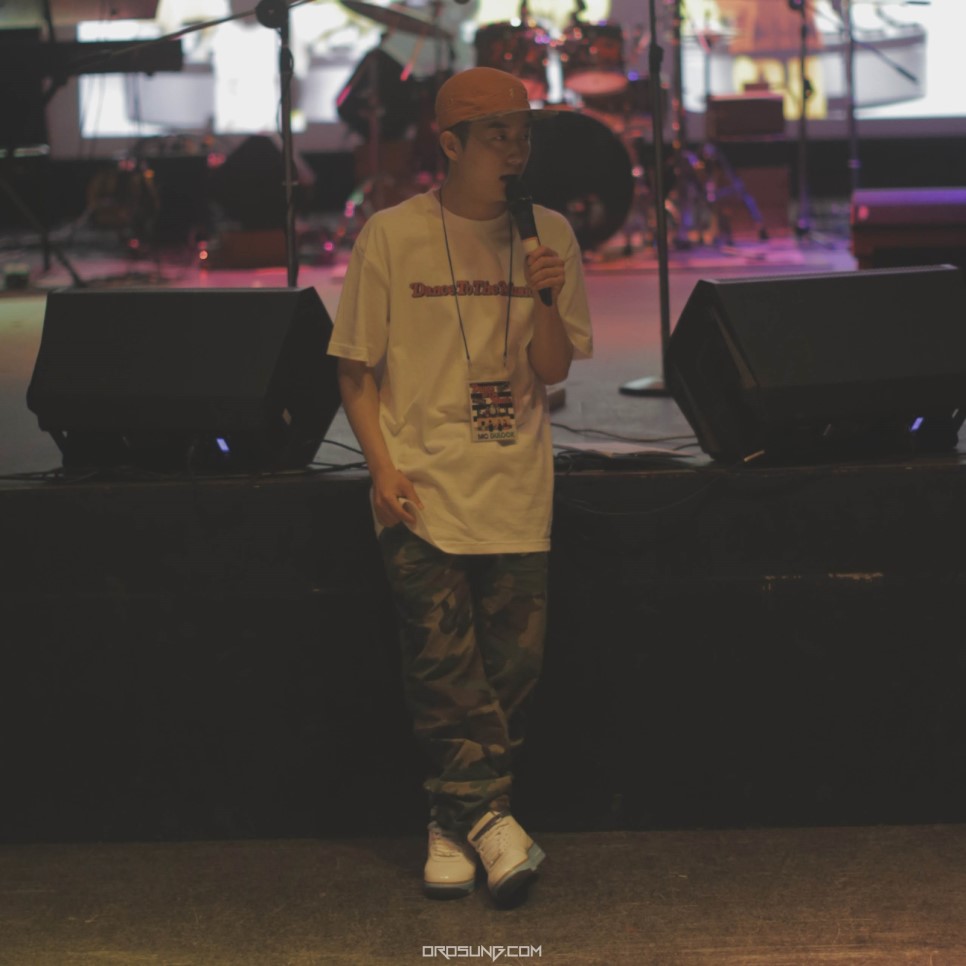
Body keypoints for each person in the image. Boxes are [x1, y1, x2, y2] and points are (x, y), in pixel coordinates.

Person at [327, 66, 592, 905]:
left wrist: (545, 295)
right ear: (449, 144)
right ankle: (492, 825)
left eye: (524, 134)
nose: (516, 150)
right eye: (497, 135)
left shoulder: (548, 234)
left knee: (510, 676)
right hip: (422, 483)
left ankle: (456, 823)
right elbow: (354, 368)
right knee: (442, 673)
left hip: (514, 480)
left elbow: (553, 367)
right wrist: (382, 467)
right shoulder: (392, 235)